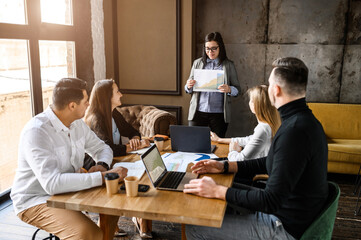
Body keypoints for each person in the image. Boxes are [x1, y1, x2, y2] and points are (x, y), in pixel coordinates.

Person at [184, 57, 329, 239]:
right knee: (220, 187)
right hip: (289, 212)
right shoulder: (304, 121)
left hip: (284, 226)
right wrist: (225, 166)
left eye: (269, 85)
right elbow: (271, 161)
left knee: (195, 227)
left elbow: (270, 201)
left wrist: (218, 191)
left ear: (275, 90)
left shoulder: (294, 132)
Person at [10, 78, 128, 240]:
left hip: (68, 190)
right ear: (72, 106)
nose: (89, 104)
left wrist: (101, 165)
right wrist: (104, 176)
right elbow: (52, 184)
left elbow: (102, 148)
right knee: (89, 234)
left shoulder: (77, 124)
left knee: (115, 203)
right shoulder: (37, 132)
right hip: (35, 199)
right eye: (86, 101)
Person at [84, 79, 152, 238]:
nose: (121, 94)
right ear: (107, 96)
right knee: (134, 177)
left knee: (141, 175)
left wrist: (135, 138)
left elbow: (132, 130)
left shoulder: (113, 113)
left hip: (113, 159)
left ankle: (137, 218)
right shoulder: (96, 118)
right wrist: (134, 146)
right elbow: (108, 148)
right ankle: (117, 222)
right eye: (117, 92)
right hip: (97, 165)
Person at [185, 32, 240, 138]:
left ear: (220, 47)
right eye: (207, 48)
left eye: (214, 48)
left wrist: (229, 89)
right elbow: (188, 88)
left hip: (219, 115)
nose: (210, 52)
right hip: (198, 112)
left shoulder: (228, 65)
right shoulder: (197, 63)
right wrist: (188, 86)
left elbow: (238, 90)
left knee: (217, 146)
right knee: (194, 143)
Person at [211, 85, 281, 161]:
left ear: (256, 105)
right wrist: (219, 140)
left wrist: (233, 150)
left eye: (251, 100)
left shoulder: (263, 129)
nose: (249, 103)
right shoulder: (270, 124)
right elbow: (249, 140)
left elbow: (240, 160)